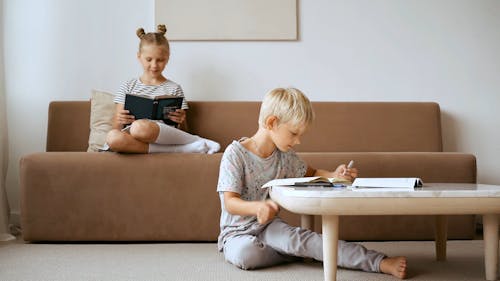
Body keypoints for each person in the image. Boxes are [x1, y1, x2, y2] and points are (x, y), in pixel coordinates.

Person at [216, 88, 407, 279]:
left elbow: (313, 173)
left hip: (269, 228)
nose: (298, 141)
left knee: (303, 240)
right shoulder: (235, 154)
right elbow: (230, 203)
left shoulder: (285, 156)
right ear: (271, 123)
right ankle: (299, 253)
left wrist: (334, 175)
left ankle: (378, 262)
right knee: (247, 254)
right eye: (293, 133)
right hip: (236, 234)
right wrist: (257, 207)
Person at [105, 25, 220, 154]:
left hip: (163, 135)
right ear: (139, 57)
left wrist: (181, 121)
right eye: (149, 59)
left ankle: (194, 141)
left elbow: (183, 131)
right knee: (112, 138)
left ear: (167, 59)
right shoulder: (128, 86)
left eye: (160, 60)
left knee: (139, 127)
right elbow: (116, 128)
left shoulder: (174, 89)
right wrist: (120, 120)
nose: (154, 65)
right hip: (134, 137)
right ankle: (182, 149)